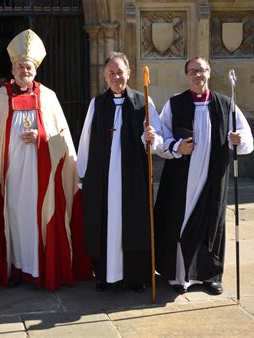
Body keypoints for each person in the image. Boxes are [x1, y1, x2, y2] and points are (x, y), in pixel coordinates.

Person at [0, 29, 92, 291]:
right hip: (10, 176)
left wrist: (42, 137)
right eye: (20, 66)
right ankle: (15, 268)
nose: (25, 70)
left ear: (36, 69)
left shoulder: (49, 97)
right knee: (13, 219)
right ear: (12, 68)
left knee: (37, 221)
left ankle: (39, 268)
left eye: (29, 66)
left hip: (41, 178)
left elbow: (64, 138)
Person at [154, 56, 254, 295]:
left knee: (211, 223)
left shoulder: (225, 104)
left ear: (209, 73)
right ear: (186, 75)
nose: (198, 75)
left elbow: (245, 137)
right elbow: (160, 137)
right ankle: (178, 276)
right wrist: (177, 147)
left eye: (202, 70)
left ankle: (210, 275)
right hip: (180, 177)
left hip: (212, 175)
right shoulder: (174, 104)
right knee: (179, 220)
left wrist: (238, 140)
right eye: (193, 71)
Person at [77, 52, 163, 293]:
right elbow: (85, 139)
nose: (116, 77)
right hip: (102, 177)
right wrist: (81, 173)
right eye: (111, 73)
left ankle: (136, 277)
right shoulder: (97, 104)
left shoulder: (143, 101)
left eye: (120, 72)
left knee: (134, 225)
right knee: (104, 223)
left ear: (129, 73)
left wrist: (151, 138)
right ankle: (106, 276)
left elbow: (158, 139)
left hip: (133, 176)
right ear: (105, 76)